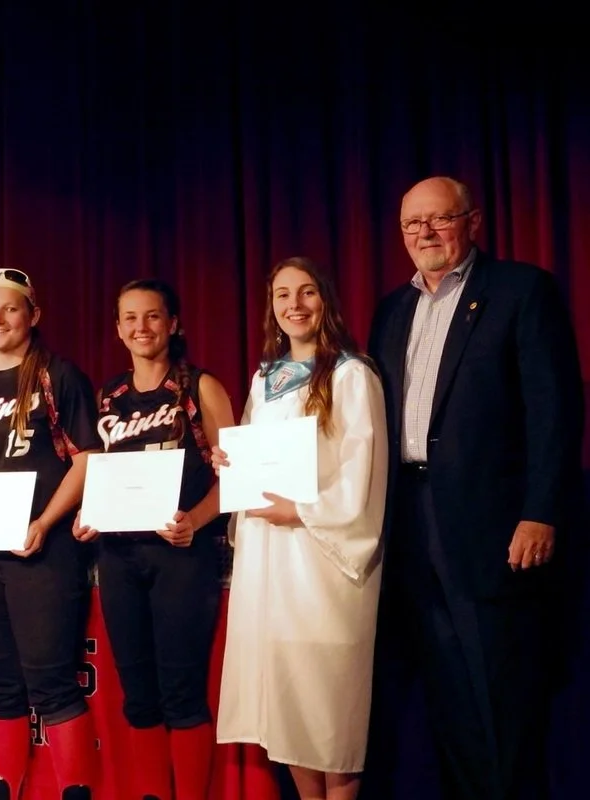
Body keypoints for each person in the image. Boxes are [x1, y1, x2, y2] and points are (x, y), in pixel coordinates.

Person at [366, 176, 583, 800]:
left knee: (503, 698)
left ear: (473, 221)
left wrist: (541, 512)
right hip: (408, 521)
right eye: (412, 225)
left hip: (492, 527)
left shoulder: (520, 291)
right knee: (445, 696)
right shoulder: (392, 309)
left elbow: (554, 412)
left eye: (439, 220)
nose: (425, 234)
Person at [213, 257, 387, 800]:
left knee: (327, 708)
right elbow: (260, 460)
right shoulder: (267, 379)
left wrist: (305, 511)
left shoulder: (351, 374)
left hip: (323, 559)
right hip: (269, 561)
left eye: (306, 292)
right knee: (286, 707)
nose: (294, 305)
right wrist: (232, 464)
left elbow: (364, 470)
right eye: (283, 294)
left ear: (325, 300)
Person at [0, 268, 102, 800]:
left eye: (10, 308)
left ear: (33, 314)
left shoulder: (59, 375)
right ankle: (4, 792)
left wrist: (44, 522)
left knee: (51, 682)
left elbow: (86, 460)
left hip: (43, 551)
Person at [71, 278, 234, 800]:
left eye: (153, 316)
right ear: (118, 329)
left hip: (181, 554)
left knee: (182, 690)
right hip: (118, 555)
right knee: (138, 692)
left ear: (173, 323)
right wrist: (88, 514)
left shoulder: (200, 387)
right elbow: (99, 470)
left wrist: (198, 521)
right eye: (131, 318)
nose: (142, 327)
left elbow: (234, 474)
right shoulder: (110, 394)